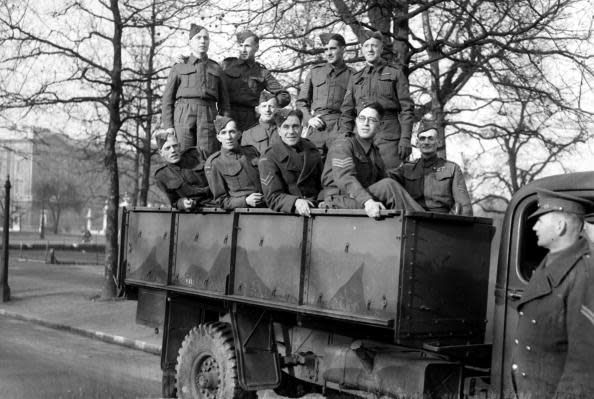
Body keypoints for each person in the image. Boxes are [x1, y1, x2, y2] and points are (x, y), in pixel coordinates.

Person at [512, 188, 594, 399]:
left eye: (541, 220)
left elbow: (585, 361)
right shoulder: (551, 262)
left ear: (560, 226)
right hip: (534, 387)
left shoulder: (584, 273)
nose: (535, 226)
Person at [321, 102, 423, 218]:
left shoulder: (374, 151)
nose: (365, 124)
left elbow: (382, 178)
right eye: (362, 118)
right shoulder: (344, 144)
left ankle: (423, 221)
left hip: (358, 198)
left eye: (371, 120)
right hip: (339, 201)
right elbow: (345, 178)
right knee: (388, 186)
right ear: (356, 121)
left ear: (379, 126)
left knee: (390, 183)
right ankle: (424, 224)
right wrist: (368, 202)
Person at [339, 30, 414, 170]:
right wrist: (345, 138)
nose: (370, 49)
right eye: (366, 46)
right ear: (362, 49)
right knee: (362, 179)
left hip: (388, 138)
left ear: (381, 48)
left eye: (374, 45)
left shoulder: (395, 73)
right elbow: (347, 112)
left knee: (389, 179)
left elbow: (407, 109)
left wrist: (405, 138)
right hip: (361, 136)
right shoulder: (355, 78)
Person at [161, 24, 230, 154]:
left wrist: (224, 125)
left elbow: (225, 102)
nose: (202, 41)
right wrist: (168, 126)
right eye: (198, 38)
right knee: (183, 153)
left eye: (206, 38)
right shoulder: (180, 66)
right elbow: (167, 99)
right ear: (190, 42)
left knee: (208, 154)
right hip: (183, 113)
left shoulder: (216, 68)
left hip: (209, 114)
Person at [391, 120, 473, 215]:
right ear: (417, 143)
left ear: (438, 142)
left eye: (431, 138)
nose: (426, 142)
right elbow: (386, 183)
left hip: (440, 222)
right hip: (413, 218)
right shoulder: (406, 169)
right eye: (422, 138)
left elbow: (464, 206)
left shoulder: (452, 169)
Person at [296, 33, 353, 156]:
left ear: (343, 49)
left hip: (340, 127)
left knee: (337, 166)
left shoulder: (353, 75)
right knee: (312, 165)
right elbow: (301, 102)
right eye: (325, 49)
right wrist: (309, 119)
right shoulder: (315, 72)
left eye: (333, 48)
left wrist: (346, 129)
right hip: (317, 127)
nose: (328, 53)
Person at [259, 109, 323, 217]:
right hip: (289, 215)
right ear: (279, 130)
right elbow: (272, 197)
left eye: (295, 126)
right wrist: (296, 202)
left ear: (302, 128)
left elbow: (323, 183)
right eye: (286, 127)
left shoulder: (311, 149)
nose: (291, 131)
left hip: (316, 211)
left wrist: (323, 200)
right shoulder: (269, 157)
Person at [223, 30, 291, 131]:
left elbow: (284, 95)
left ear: (256, 48)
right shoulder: (227, 66)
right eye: (241, 45)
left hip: (249, 120)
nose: (243, 50)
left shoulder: (262, 72)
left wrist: (271, 105)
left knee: (248, 146)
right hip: (226, 115)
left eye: (247, 46)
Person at [205, 116, 264, 209]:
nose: (228, 137)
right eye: (223, 133)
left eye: (232, 132)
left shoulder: (251, 151)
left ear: (239, 134)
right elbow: (221, 201)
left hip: (267, 205)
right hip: (243, 211)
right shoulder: (215, 163)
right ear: (218, 137)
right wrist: (245, 201)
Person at [154, 131, 212, 210]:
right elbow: (174, 201)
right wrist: (183, 203)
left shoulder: (197, 154)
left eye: (175, 146)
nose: (173, 150)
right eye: (168, 148)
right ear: (161, 153)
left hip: (217, 203)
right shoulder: (162, 176)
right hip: (194, 212)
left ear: (180, 146)